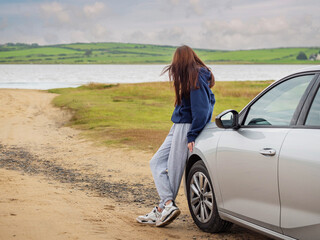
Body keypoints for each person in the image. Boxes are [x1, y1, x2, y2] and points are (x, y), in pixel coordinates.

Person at [136, 45, 215, 227]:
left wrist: (192, 135)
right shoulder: (193, 76)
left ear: (181, 61)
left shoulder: (196, 76)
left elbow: (202, 110)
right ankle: (166, 206)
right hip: (178, 125)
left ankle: (165, 207)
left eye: (176, 63)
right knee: (156, 162)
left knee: (174, 170)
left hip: (186, 128)